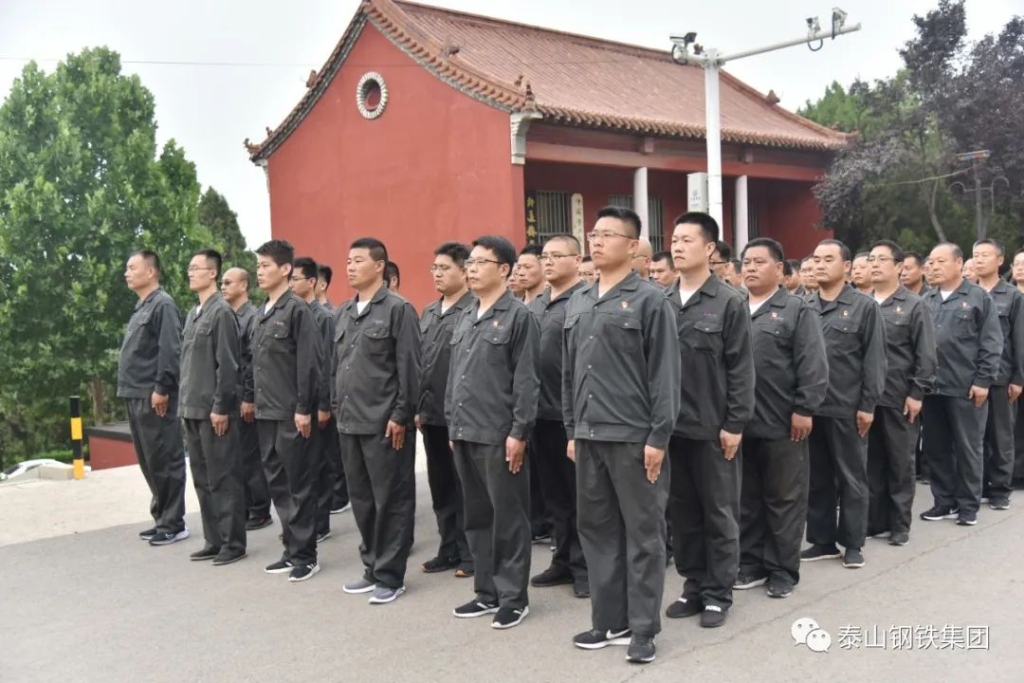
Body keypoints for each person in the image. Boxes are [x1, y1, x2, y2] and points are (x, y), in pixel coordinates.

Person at [564, 206, 681, 664]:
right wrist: (572, 429)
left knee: (644, 534)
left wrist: (658, 436)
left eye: (608, 235)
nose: (596, 241)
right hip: (589, 435)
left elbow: (665, 375)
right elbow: (570, 373)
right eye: (593, 234)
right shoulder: (579, 299)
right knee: (597, 531)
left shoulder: (651, 300)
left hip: (634, 437)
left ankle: (643, 628)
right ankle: (609, 620)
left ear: (633, 247)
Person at [663, 212, 755, 629]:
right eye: (674, 240)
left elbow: (741, 368)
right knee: (681, 513)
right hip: (671, 428)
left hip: (713, 428)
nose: (678, 246)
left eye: (687, 240)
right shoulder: (662, 300)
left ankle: (719, 592)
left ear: (710, 248)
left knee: (719, 512)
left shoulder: (728, 302)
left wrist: (734, 424)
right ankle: (694, 585)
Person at [447, 235, 540, 630]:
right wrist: (452, 422)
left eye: (480, 262)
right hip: (465, 431)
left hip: (500, 435)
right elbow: (455, 375)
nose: (471, 268)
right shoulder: (467, 314)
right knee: (477, 517)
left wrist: (519, 431)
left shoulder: (519, 317)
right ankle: (486, 592)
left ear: (503, 269)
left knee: (508, 519)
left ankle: (513, 598)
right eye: (469, 262)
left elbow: (527, 380)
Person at [736, 238, 827, 599]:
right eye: (746, 262)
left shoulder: (796, 310)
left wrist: (804, 408)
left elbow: (813, 363)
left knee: (784, 499)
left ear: (779, 269)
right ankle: (751, 563)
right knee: (746, 499)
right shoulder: (734, 307)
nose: (750, 268)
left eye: (759, 262)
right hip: (740, 423)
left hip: (783, 421)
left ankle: (782, 569)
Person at [334, 238, 421, 605]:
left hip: (385, 423)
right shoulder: (344, 312)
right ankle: (371, 566)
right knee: (362, 499)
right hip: (350, 421)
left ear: (379, 265)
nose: (350, 266)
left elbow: (410, 368)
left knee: (392, 500)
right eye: (348, 260)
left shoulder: (399, 309)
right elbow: (336, 366)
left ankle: (390, 575)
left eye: (358, 260)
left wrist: (401, 414)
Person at [802, 239, 886, 569]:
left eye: (828, 259)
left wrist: (868, 404)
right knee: (817, 477)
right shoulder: (804, 305)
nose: (820, 265)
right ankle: (822, 540)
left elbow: (874, 360)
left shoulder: (864, 307)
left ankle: (852, 542)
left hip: (847, 407)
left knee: (852, 477)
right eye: (816, 259)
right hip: (811, 408)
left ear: (847, 266)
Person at [243, 239, 322, 582]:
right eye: (258, 266)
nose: (259, 272)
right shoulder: (262, 313)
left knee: (299, 485)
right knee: (278, 485)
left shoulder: (296, 310)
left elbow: (309, 363)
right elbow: (254, 364)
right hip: (267, 413)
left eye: (265, 266)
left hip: (292, 413)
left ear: (286, 269)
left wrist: (304, 408)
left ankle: (306, 555)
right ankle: (291, 548)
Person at [920, 243, 1002, 527]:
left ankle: (968, 505)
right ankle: (944, 501)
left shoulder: (978, 298)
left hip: (965, 387)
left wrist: (983, 381)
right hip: (932, 388)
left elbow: (991, 342)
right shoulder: (926, 299)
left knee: (968, 448)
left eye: (941, 261)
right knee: (937, 448)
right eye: (931, 262)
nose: (934, 266)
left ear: (958, 263)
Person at [528, 235, 588, 598]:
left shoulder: (585, 300)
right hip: (539, 415)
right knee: (554, 498)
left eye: (556, 256)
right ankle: (562, 559)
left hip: (573, 417)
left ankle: (585, 567)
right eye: (544, 256)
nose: (547, 262)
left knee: (581, 497)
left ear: (577, 259)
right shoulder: (536, 304)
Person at [865, 241, 936, 547]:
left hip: (898, 395)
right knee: (871, 462)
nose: (875, 264)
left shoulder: (913, 305)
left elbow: (926, 353)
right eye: (871, 259)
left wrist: (917, 392)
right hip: (866, 398)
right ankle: (875, 520)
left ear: (898, 267)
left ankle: (899, 523)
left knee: (900, 462)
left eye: (882, 259)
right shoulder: (862, 303)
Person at [180, 249, 247, 565]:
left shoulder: (221, 312)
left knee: (223, 477)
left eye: (196, 268)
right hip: (192, 408)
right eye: (189, 268)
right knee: (203, 478)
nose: (190, 272)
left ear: (212, 273)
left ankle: (233, 542)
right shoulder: (194, 314)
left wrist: (221, 406)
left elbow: (228, 365)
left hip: (213, 411)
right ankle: (214, 539)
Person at [118, 250, 188, 546]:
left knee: (165, 458)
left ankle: (174, 523)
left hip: (153, 395)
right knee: (150, 460)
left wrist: (162, 388)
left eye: (132, 267)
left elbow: (170, 349)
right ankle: (161, 517)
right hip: (135, 392)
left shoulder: (163, 305)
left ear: (150, 272)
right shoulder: (142, 306)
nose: (127, 272)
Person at [417, 241, 475, 578]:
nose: (437, 274)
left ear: (464, 272)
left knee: (464, 487)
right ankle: (448, 548)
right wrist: (418, 406)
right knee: (440, 486)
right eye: (434, 268)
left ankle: (470, 553)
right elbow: (421, 361)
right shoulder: (428, 311)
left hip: (461, 416)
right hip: (432, 414)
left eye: (444, 268)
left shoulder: (473, 309)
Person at [973, 239, 1024, 511]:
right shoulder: (968, 293)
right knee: (974, 437)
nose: (979, 260)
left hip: (1002, 377)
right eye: (976, 255)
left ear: (1000, 260)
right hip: (971, 377)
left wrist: (1018, 378)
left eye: (985, 255)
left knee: (1001, 435)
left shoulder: (1012, 296)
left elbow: (1019, 340)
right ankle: (978, 485)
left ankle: (1000, 488)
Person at [221, 267, 273, 531]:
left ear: (243, 286)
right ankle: (243, 506)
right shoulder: (227, 316)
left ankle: (260, 509)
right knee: (235, 456)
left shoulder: (251, 317)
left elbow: (253, 361)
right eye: (222, 282)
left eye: (228, 282)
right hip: (231, 396)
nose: (223, 286)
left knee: (250, 457)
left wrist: (250, 397)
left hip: (245, 396)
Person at [289, 257, 336, 544]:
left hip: (318, 403)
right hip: (298, 402)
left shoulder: (324, 317)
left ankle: (321, 522)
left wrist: (324, 405)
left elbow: (327, 363)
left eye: (295, 279)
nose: (291, 284)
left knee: (319, 465)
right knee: (303, 466)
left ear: (312, 282)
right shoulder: (294, 314)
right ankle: (305, 522)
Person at [516, 244, 551, 542]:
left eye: (528, 266)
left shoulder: (550, 303)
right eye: (519, 267)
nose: (521, 272)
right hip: (526, 403)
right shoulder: (519, 307)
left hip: (552, 402)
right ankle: (537, 521)